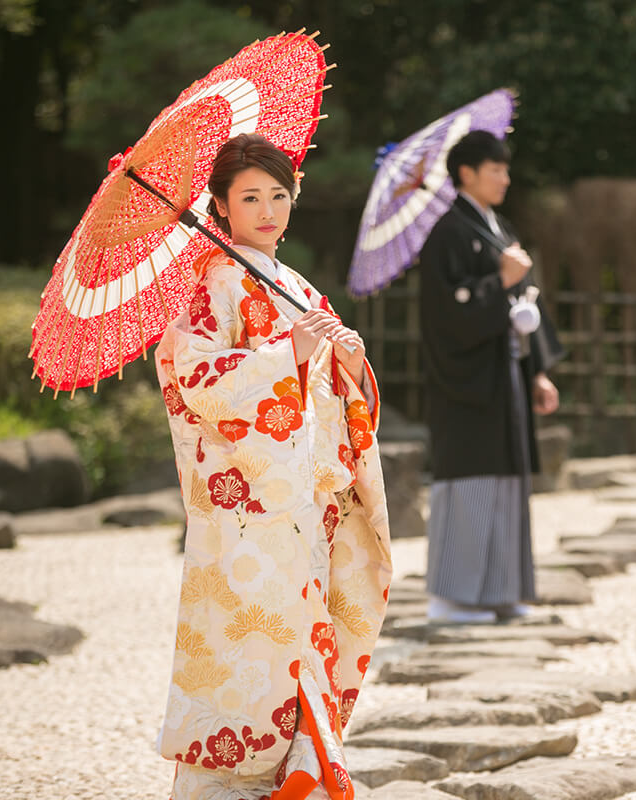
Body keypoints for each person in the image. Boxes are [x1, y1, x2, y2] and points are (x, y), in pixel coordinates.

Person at [154, 133, 391, 799]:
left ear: (294, 199)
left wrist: (347, 367)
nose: (266, 209)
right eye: (249, 197)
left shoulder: (293, 285)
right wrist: (283, 357)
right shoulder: (217, 283)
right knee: (251, 652)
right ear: (221, 208)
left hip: (307, 505)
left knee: (302, 644)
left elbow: (333, 396)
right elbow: (192, 373)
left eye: (277, 195)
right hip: (249, 511)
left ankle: (304, 775)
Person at [418, 130, 565, 624]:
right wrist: (498, 281)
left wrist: (538, 369)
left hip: (506, 375)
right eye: (496, 168)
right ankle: (452, 598)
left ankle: (501, 592)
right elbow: (446, 314)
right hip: (467, 383)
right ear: (467, 173)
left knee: (507, 480)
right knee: (471, 481)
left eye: (505, 168)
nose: (505, 177)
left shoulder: (495, 227)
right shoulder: (448, 232)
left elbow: (524, 305)